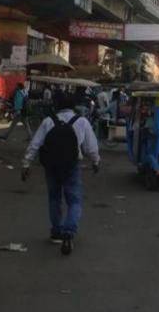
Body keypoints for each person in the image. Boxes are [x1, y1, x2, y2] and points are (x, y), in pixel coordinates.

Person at [21, 93, 100, 256]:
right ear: (74, 106)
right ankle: (69, 232)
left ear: (57, 105)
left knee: (54, 198)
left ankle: (56, 231)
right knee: (74, 200)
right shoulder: (82, 121)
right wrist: (95, 161)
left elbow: (35, 144)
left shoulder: (48, 121)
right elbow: (91, 147)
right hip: (72, 166)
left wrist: (26, 164)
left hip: (51, 166)